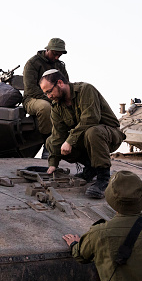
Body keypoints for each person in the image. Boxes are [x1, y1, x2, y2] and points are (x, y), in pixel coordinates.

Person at [40, 70, 125, 198]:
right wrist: (53, 163)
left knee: (92, 132)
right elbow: (58, 134)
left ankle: (103, 179)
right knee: (51, 141)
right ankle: (91, 168)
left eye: (49, 91)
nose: (48, 96)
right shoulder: (57, 106)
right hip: (85, 138)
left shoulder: (85, 90)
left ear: (60, 83)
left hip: (108, 135)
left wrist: (69, 141)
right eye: (45, 93)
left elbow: (90, 119)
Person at [22, 38, 70, 151]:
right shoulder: (33, 63)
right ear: (47, 49)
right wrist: (52, 99)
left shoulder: (60, 66)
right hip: (32, 99)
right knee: (45, 108)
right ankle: (48, 146)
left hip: (55, 99)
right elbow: (31, 89)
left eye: (59, 55)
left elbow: (66, 84)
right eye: (54, 54)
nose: (57, 57)